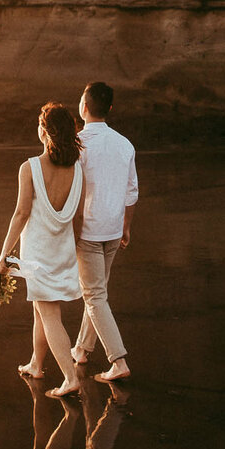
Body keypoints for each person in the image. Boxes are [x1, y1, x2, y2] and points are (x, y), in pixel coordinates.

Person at [0, 101, 85, 397]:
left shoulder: (30, 167)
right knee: (41, 310)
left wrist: (3, 255)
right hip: (63, 252)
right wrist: (74, 250)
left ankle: (71, 378)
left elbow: (21, 214)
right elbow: (79, 218)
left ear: (45, 133)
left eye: (39, 124)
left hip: (38, 255)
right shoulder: (78, 171)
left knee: (50, 315)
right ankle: (36, 363)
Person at [70, 81, 136, 382]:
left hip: (88, 230)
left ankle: (118, 360)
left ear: (84, 108)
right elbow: (132, 191)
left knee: (94, 295)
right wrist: (126, 226)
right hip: (112, 227)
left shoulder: (78, 144)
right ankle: (82, 349)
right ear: (109, 109)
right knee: (98, 293)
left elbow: (70, 192)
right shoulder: (125, 144)